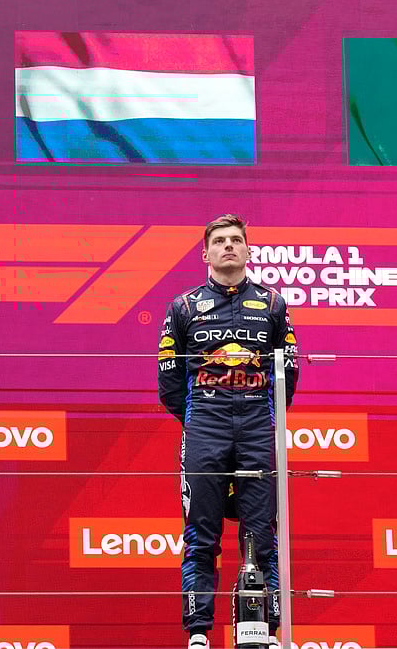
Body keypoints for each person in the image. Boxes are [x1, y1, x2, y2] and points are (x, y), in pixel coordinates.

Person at [158, 215, 299, 649]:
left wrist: (256, 406)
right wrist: (202, 417)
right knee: (201, 531)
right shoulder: (183, 307)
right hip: (206, 424)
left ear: (248, 251)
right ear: (206, 253)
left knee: (262, 530)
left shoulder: (274, 305)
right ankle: (198, 631)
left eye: (236, 240)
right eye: (219, 241)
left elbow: (287, 375)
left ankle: (265, 630)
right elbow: (168, 382)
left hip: (257, 423)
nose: (228, 247)